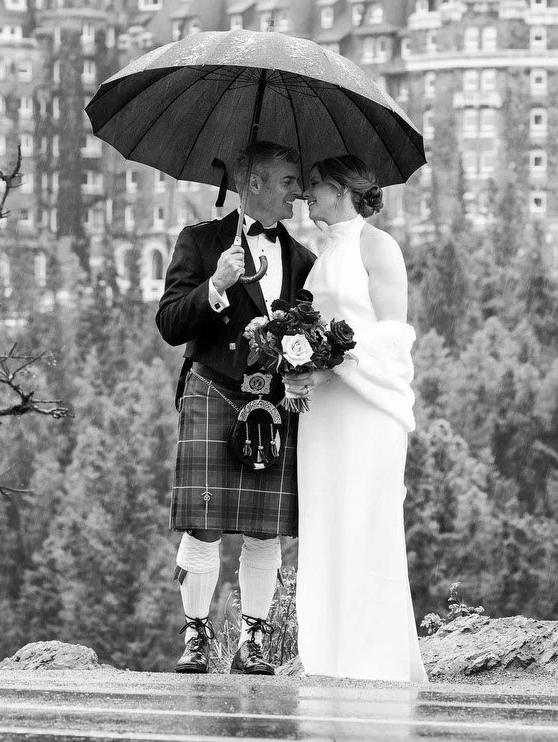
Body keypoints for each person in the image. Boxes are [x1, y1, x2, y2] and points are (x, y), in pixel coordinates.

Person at [155, 141, 316, 675]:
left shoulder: (303, 261)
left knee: (264, 530)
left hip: (273, 403)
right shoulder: (201, 244)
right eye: (289, 180)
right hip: (214, 391)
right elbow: (171, 324)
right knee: (202, 523)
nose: (299, 191)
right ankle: (197, 636)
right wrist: (216, 284)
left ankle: (253, 641)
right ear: (254, 184)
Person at [287, 153, 428, 682]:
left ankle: (374, 661)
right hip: (323, 415)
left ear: (344, 189)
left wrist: (327, 367)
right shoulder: (324, 252)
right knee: (325, 523)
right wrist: (294, 360)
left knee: (365, 523)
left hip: (369, 410)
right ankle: (328, 656)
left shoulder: (378, 245)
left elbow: (393, 338)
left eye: (317, 186)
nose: (308, 196)